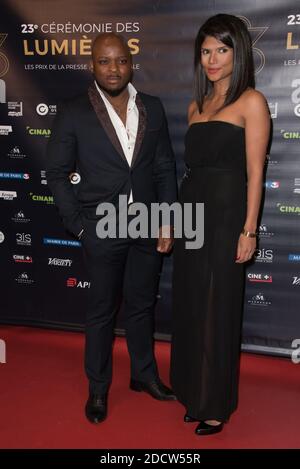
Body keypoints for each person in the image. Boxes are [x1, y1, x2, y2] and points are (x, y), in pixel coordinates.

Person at [46, 33, 177, 424]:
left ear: (130, 63)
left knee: (141, 305)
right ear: (93, 65)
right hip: (100, 229)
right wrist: (79, 227)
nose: (114, 69)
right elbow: (55, 173)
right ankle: (99, 388)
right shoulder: (73, 111)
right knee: (102, 311)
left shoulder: (151, 107)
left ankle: (144, 375)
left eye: (120, 60)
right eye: (104, 61)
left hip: (147, 226)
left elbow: (165, 167)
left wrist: (169, 218)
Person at [170, 14, 270, 436]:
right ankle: (194, 392)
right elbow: (188, 173)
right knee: (192, 305)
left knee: (217, 307)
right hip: (192, 213)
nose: (212, 59)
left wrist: (249, 230)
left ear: (238, 52)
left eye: (222, 50)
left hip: (228, 216)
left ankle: (215, 403)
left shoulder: (252, 102)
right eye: (206, 50)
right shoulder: (196, 106)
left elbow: (255, 172)